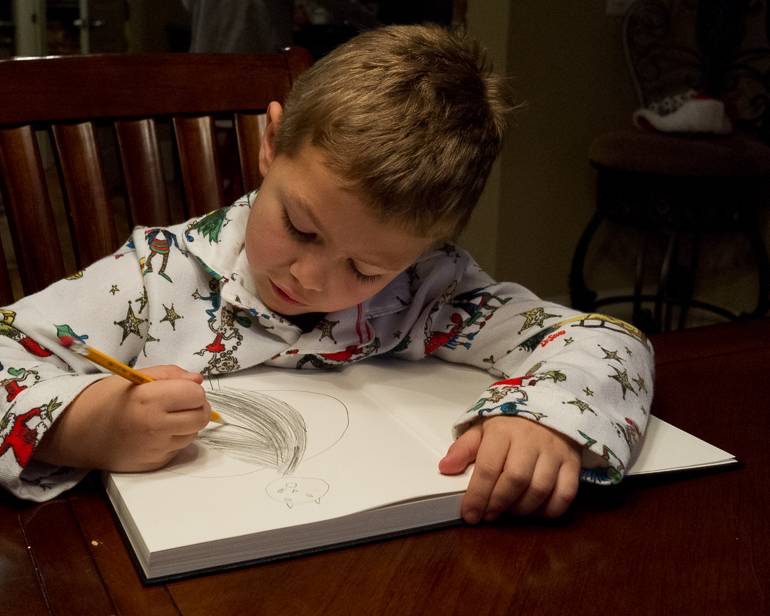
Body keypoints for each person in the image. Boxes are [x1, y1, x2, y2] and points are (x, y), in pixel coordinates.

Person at [0, 25, 653, 525]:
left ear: (428, 248)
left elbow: (610, 340)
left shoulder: (429, 291)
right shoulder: (154, 278)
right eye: (301, 227)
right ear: (270, 143)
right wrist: (89, 426)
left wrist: (542, 417)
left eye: (367, 267)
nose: (310, 277)